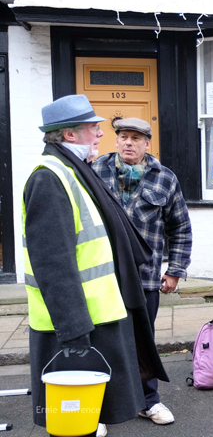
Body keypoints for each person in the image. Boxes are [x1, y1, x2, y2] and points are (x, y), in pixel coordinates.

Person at [24, 95, 168, 437]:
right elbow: (53, 262)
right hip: (76, 323)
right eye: (93, 128)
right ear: (70, 135)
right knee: (74, 420)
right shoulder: (50, 178)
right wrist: (73, 329)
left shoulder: (74, 170)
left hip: (97, 313)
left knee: (88, 414)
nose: (101, 135)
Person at [93, 117, 192, 426]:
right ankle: (101, 408)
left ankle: (148, 401)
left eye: (136, 137)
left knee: (143, 342)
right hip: (103, 277)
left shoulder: (165, 178)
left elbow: (180, 229)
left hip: (146, 278)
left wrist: (175, 270)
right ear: (117, 139)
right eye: (123, 136)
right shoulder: (95, 171)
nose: (128, 142)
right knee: (103, 342)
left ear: (147, 143)